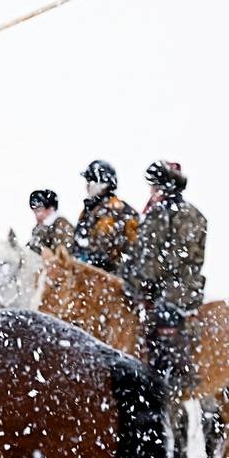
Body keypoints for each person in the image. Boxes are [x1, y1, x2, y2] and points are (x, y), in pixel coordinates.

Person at [120, 160, 207, 393]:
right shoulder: (153, 214)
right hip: (154, 285)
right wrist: (127, 275)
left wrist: (143, 277)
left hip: (179, 287)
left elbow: (175, 259)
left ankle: (172, 378)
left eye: (155, 186)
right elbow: (141, 252)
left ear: (167, 186)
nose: (151, 191)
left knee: (163, 318)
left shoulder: (188, 215)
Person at [72, 160, 140, 273]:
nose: (87, 186)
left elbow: (133, 250)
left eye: (90, 181)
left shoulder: (121, 211)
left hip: (111, 277)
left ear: (103, 184)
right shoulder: (88, 210)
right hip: (86, 275)